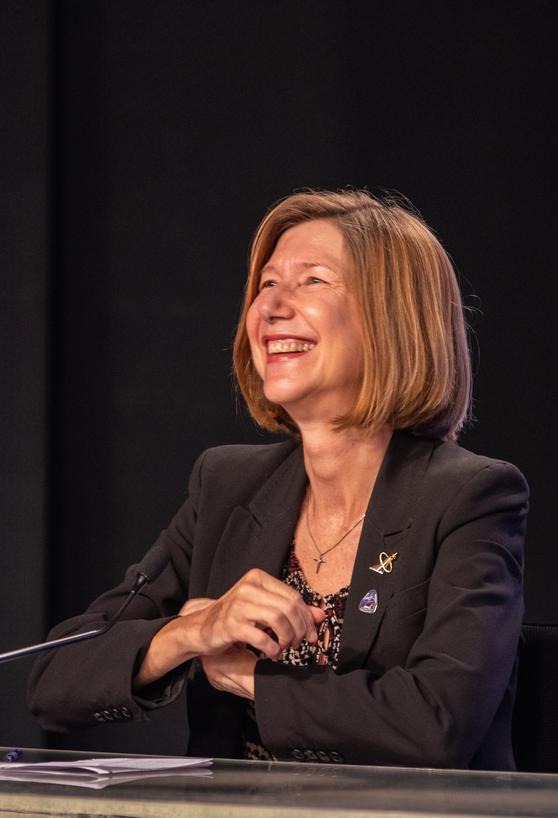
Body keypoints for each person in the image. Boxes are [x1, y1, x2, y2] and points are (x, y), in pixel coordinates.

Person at [28, 190, 528, 769]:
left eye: (313, 281)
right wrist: (188, 635)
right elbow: (54, 681)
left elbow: (437, 722)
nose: (270, 307)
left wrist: (251, 679)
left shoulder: (470, 496)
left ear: (394, 318)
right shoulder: (229, 485)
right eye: (266, 284)